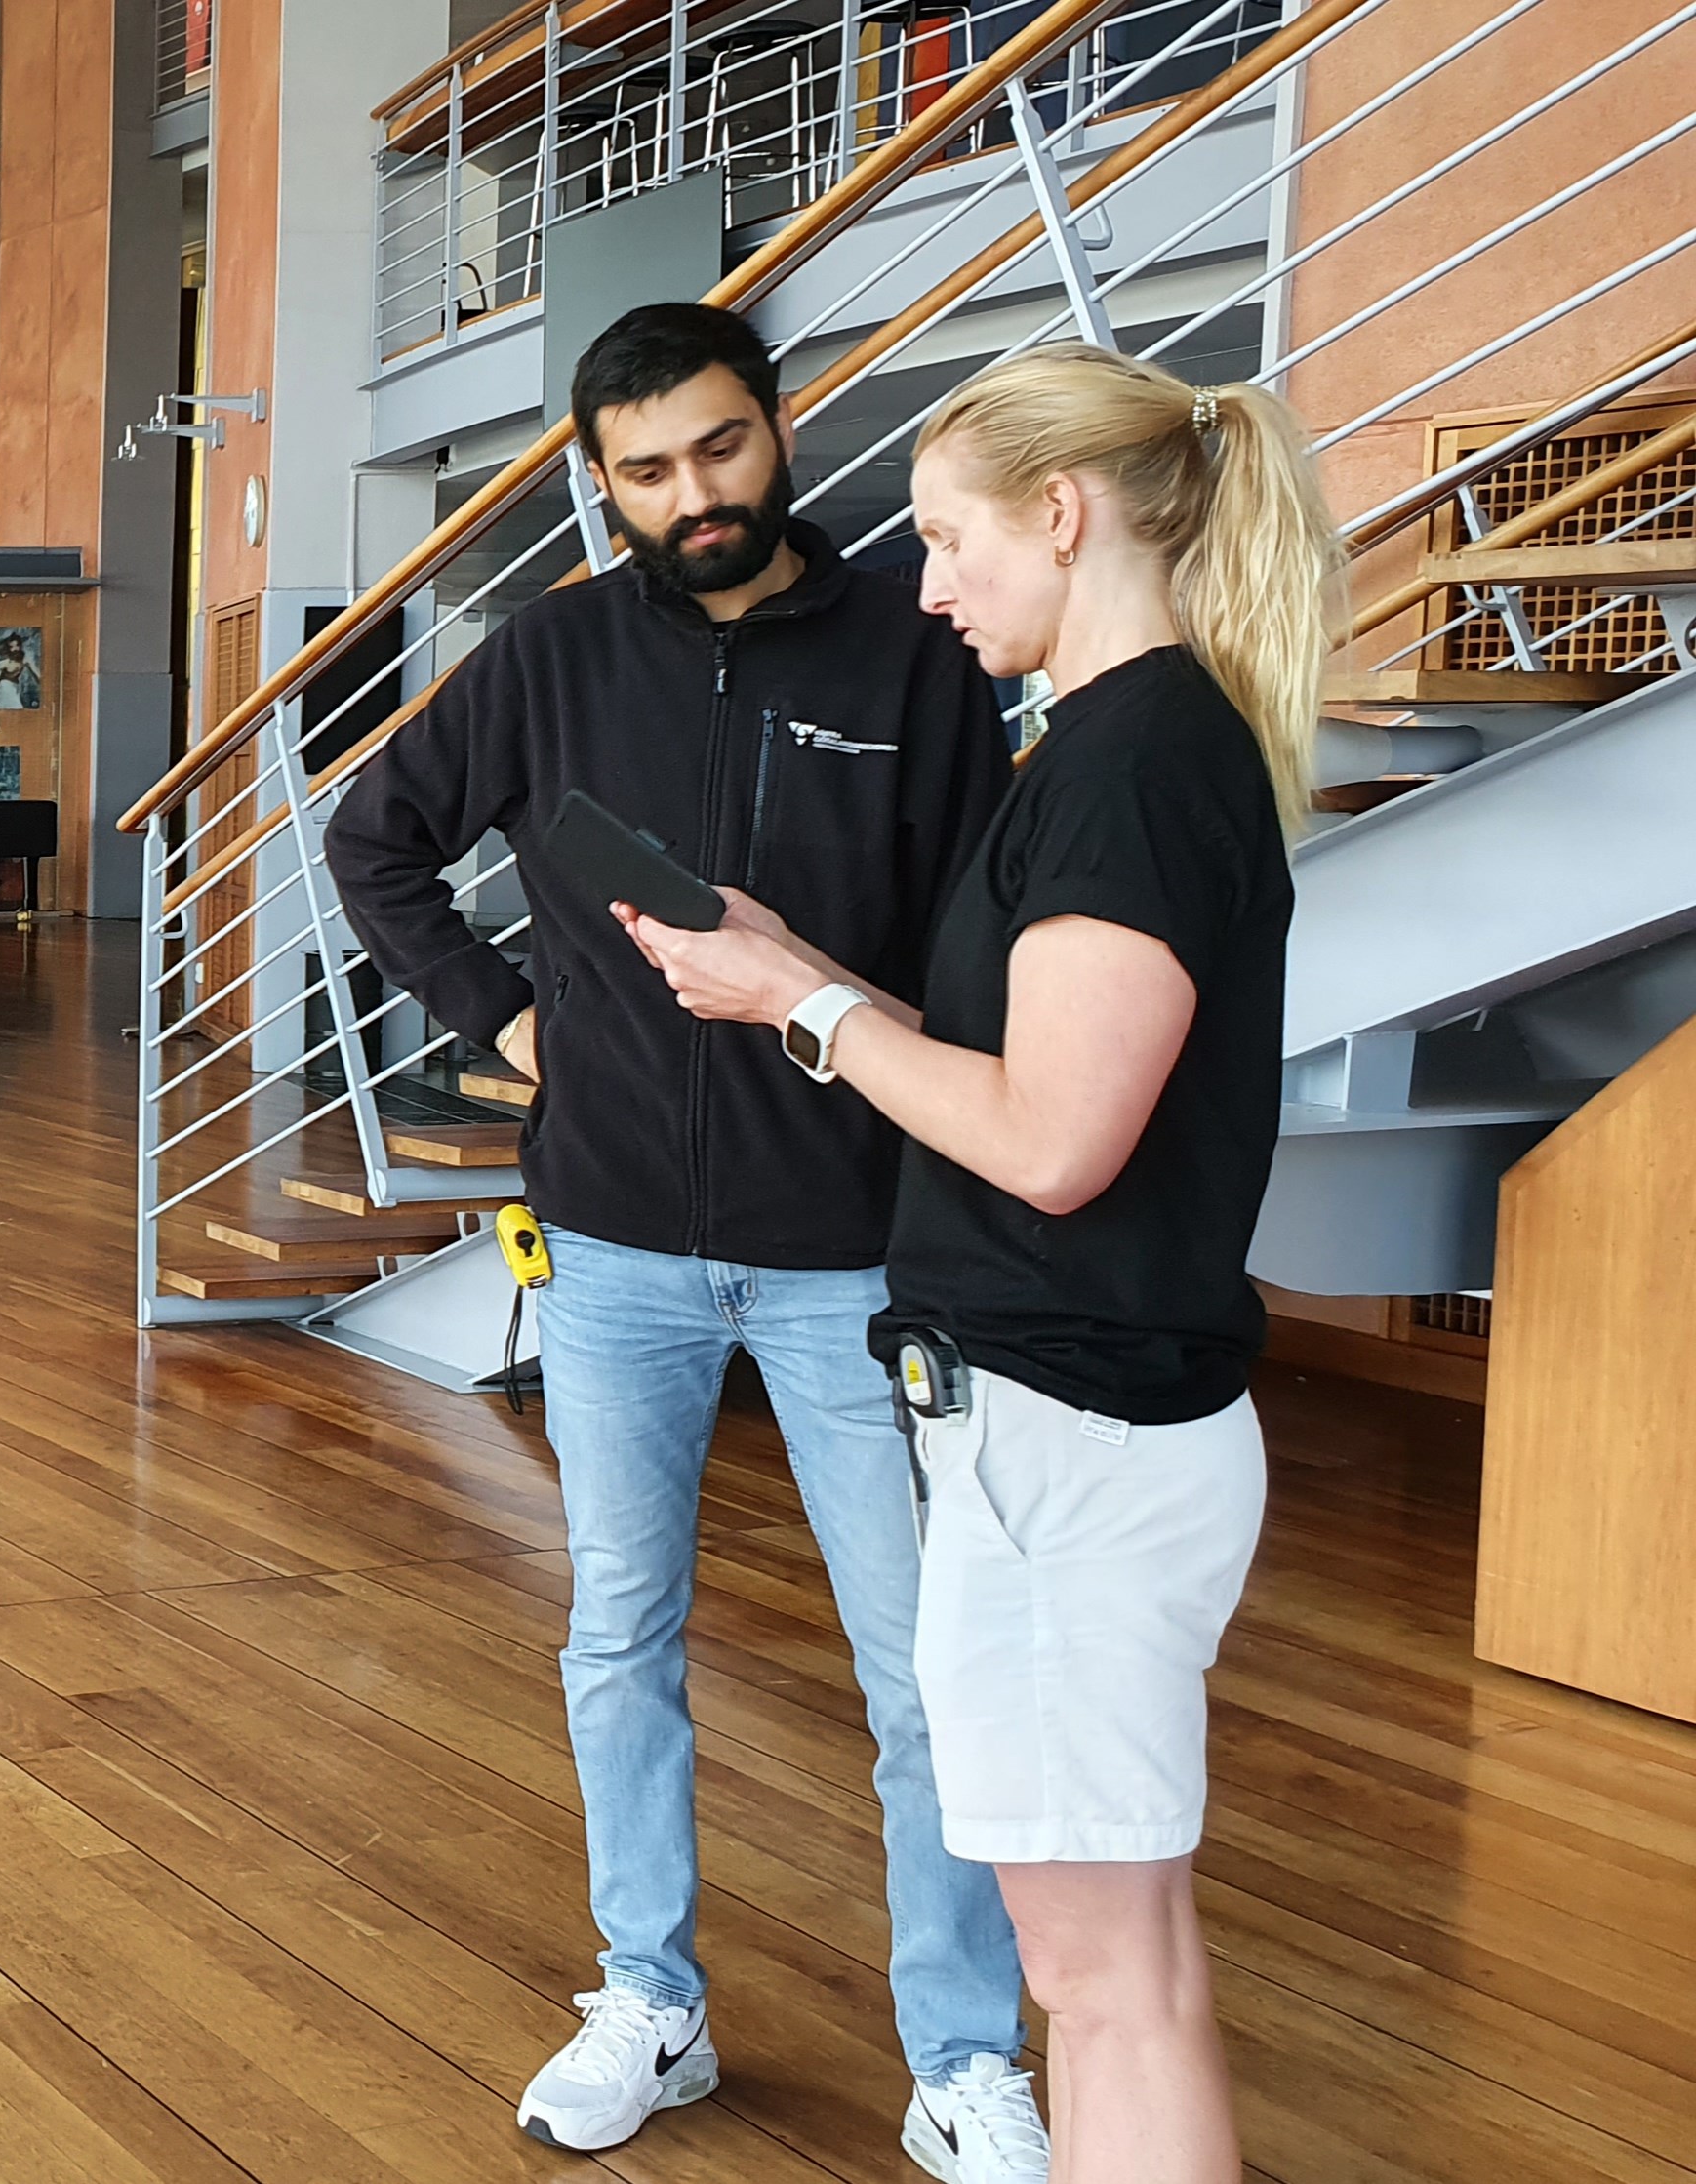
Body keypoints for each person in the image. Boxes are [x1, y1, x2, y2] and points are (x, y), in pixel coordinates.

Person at [325, 302, 1046, 2178]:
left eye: (719, 449)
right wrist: (502, 1020)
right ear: (602, 481)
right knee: (619, 1632)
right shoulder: (552, 656)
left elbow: (982, 940)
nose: (692, 495)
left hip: (856, 1250)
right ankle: (654, 1992)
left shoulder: (917, 653)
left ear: (778, 428)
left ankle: (965, 2054)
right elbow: (374, 838)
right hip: (620, 1236)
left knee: (921, 1667)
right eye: (646, 471)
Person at [625, 343, 1333, 2184]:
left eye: (951, 538)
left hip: (1067, 1444)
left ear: (1065, 514)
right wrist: (821, 980)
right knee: (1123, 1967)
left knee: (1098, 1982)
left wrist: (799, 1005)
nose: (928, 586)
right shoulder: (1132, 747)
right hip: (1083, 1433)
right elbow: (1035, 1082)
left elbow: (1049, 1139)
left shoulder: (1134, 763)